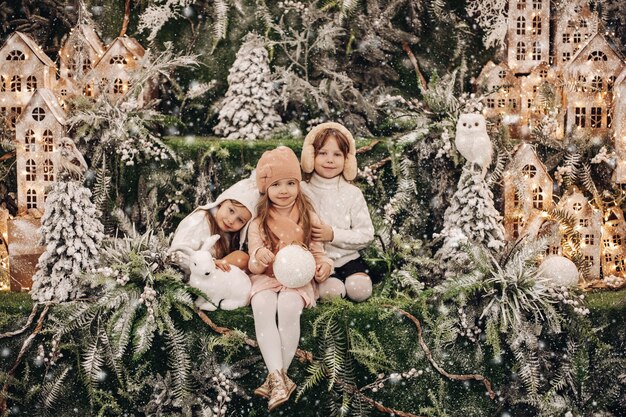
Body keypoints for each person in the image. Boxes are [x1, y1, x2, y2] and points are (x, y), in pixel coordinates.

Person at [247, 146, 332, 411]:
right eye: (276, 185)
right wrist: (259, 257)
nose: (284, 190)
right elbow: (252, 259)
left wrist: (324, 265)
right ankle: (280, 378)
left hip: (297, 278)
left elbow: (319, 252)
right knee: (262, 305)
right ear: (265, 189)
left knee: (287, 306)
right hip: (267, 277)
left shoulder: (309, 217)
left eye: (290, 183)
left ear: (298, 185)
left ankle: (276, 379)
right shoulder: (258, 222)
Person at [301, 122, 377, 302]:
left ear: (347, 161)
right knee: (331, 293)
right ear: (311, 157)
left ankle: (352, 280)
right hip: (319, 263)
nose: (330, 160)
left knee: (360, 290)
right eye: (322, 153)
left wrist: (333, 235)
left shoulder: (352, 193)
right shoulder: (302, 190)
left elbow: (366, 234)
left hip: (349, 259)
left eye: (337, 154)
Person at [169, 176, 259, 275]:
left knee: (242, 258)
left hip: (211, 278)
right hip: (190, 274)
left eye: (240, 220)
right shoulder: (200, 220)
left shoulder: (231, 236)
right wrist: (208, 264)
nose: (231, 220)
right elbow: (177, 253)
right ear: (222, 202)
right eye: (231, 210)